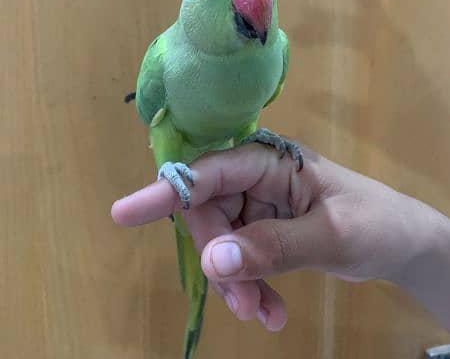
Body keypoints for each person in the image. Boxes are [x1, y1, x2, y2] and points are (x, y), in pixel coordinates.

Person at [111, 141, 450, 332]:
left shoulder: (275, 51)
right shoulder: (166, 56)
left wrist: (417, 244)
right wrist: (418, 245)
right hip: (189, 173)